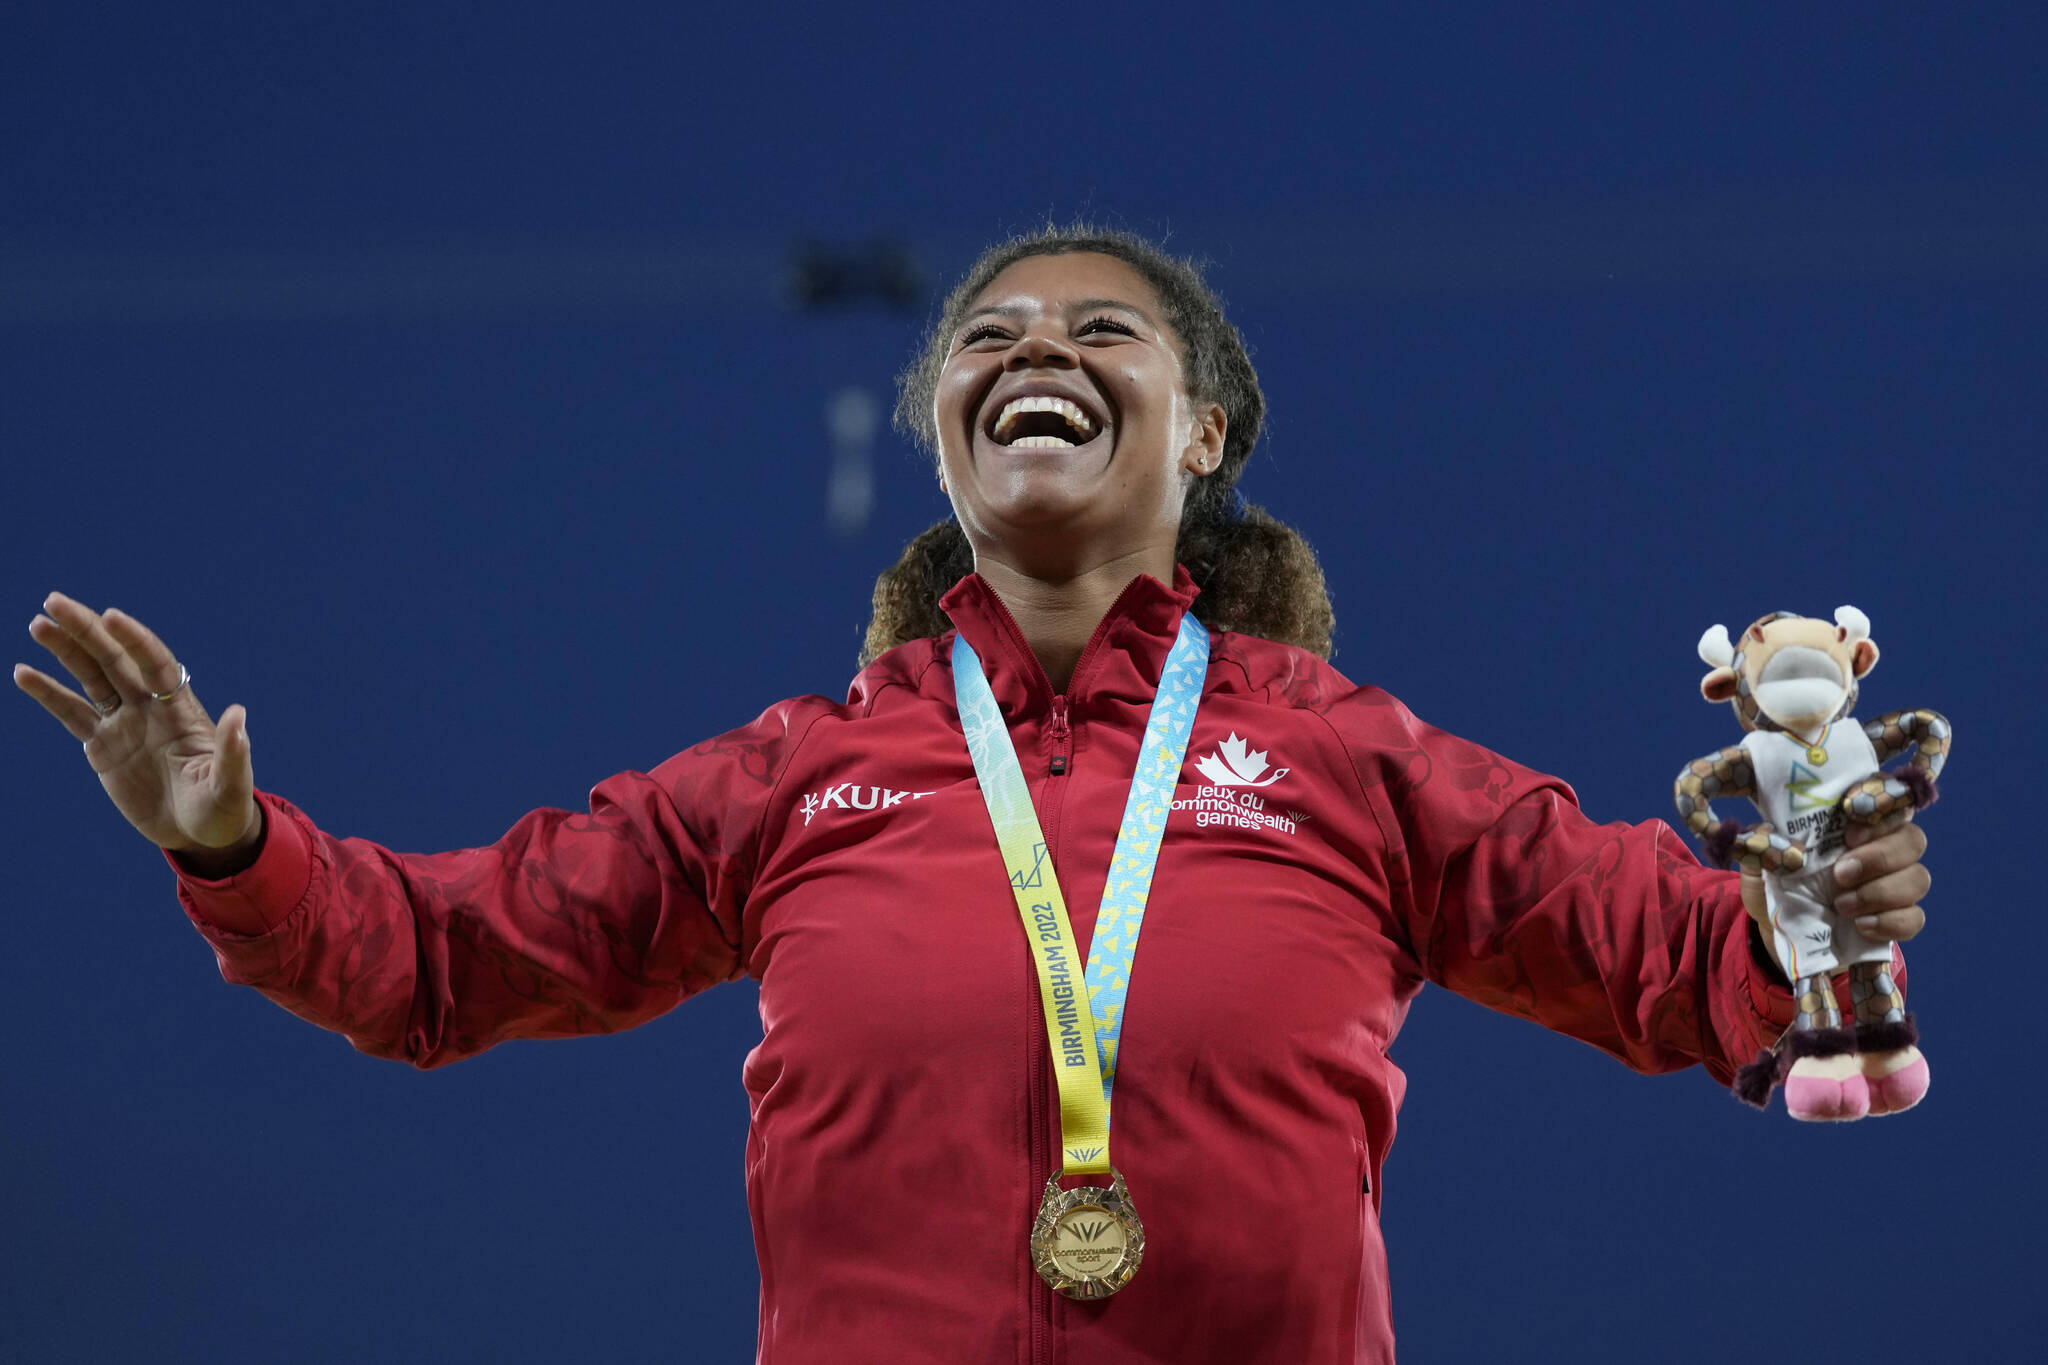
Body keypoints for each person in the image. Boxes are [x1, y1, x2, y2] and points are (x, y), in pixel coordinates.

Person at [14, 226, 1931, 1364]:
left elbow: (1657, 947)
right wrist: (230, 845)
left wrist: (1800, 922)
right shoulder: (797, 773)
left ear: (1204, 435)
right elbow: (440, 959)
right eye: (993, 340)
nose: (1041, 350)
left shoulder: (1349, 754)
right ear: (943, 433)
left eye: (1107, 332)